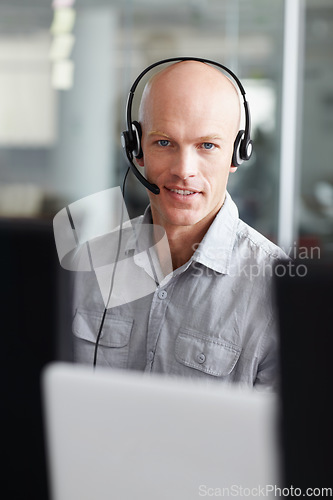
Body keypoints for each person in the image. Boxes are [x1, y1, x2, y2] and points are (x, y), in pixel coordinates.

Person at [72, 60, 287, 389]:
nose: (184, 170)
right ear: (136, 148)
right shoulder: (86, 266)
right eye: (164, 142)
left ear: (237, 154)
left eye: (207, 146)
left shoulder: (278, 291)